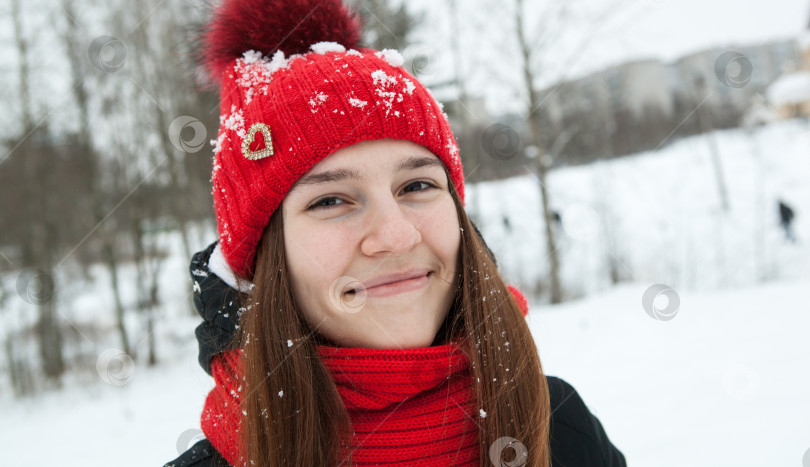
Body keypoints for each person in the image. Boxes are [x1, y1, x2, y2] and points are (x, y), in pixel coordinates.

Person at [165, 0, 626, 465]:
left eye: (417, 185)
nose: (396, 236)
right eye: (329, 200)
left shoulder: (560, 428)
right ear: (264, 255)